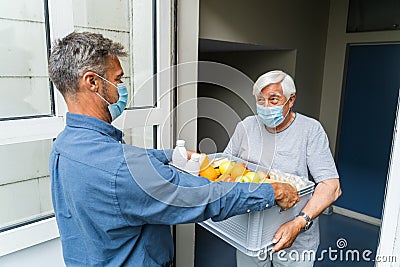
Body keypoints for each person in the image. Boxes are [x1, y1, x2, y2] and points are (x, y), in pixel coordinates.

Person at [48, 32, 299, 267]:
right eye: (117, 79)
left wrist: (169, 155)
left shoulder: (63, 147)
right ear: (92, 82)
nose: (121, 88)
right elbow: (204, 196)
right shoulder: (122, 168)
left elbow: (117, 169)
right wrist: (269, 192)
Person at [224, 70, 342, 267]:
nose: (266, 106)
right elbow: (224, 165)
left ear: (291, 100)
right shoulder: (246, 127)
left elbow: (331, 186)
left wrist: (298, 224)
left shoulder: (310, 131)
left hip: (296, 238)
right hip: (250, 233)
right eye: (260, 100)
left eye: (274, 99)